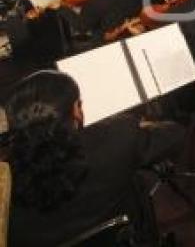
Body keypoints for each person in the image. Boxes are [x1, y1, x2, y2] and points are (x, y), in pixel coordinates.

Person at [6, 70, 183, 247]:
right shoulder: (117, 137)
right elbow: (175, 135)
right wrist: (143, 126)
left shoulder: (5, 181)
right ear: (76, 113)